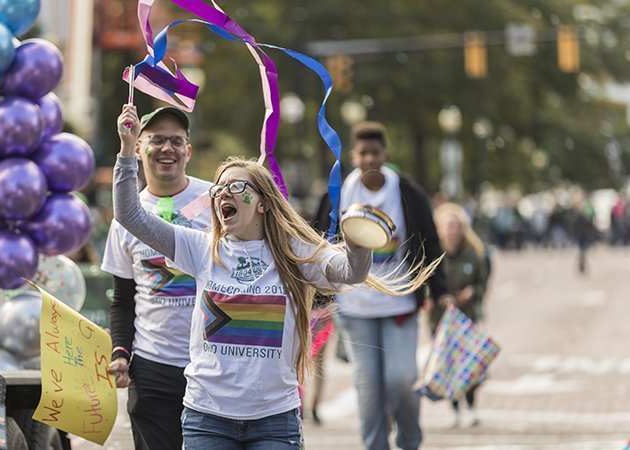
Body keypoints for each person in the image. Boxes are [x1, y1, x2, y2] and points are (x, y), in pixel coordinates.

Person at [112, 104, 440, 449]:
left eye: (236, 188)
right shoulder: (199, 247)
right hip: (206, 417)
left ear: (263, 203)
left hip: (274, 421)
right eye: (218, 189)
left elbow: (351, 273)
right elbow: (130, 215)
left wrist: (359, 243)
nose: (223, 193)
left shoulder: (294, 251)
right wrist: (126, 148)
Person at [318, 121, 449, 450]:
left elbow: (431, 244)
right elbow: (318, 243)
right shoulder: (338, 193)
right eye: (363, 153)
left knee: (402, 378)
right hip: (355, 307)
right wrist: (317, 297)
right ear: (354, 155)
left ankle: (409, 441)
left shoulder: (407, 192)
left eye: (376, 153)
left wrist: (441, 290)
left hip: (399, 302)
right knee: (369, 387)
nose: (370, 159)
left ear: (385, 154)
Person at [103, 106, 212, 450]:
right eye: (157, 140)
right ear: (138, 148)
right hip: (153, 368)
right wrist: (120, 352)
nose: (168, 149)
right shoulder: (126, 214)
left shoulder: (216, 201)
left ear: (188, 151)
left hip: (213, 365)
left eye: (177, 141)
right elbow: (122, 299)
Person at [430, 202, 489, 427]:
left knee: (471, 365)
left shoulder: (474, 253)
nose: (453, 231)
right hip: (440, 317)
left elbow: (482, 282)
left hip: (467, 316)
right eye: (448, 226)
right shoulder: (434, 254)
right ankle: (454, 409)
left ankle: (472, 405)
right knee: (450, 365)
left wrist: (473, 292)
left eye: (457, 226)